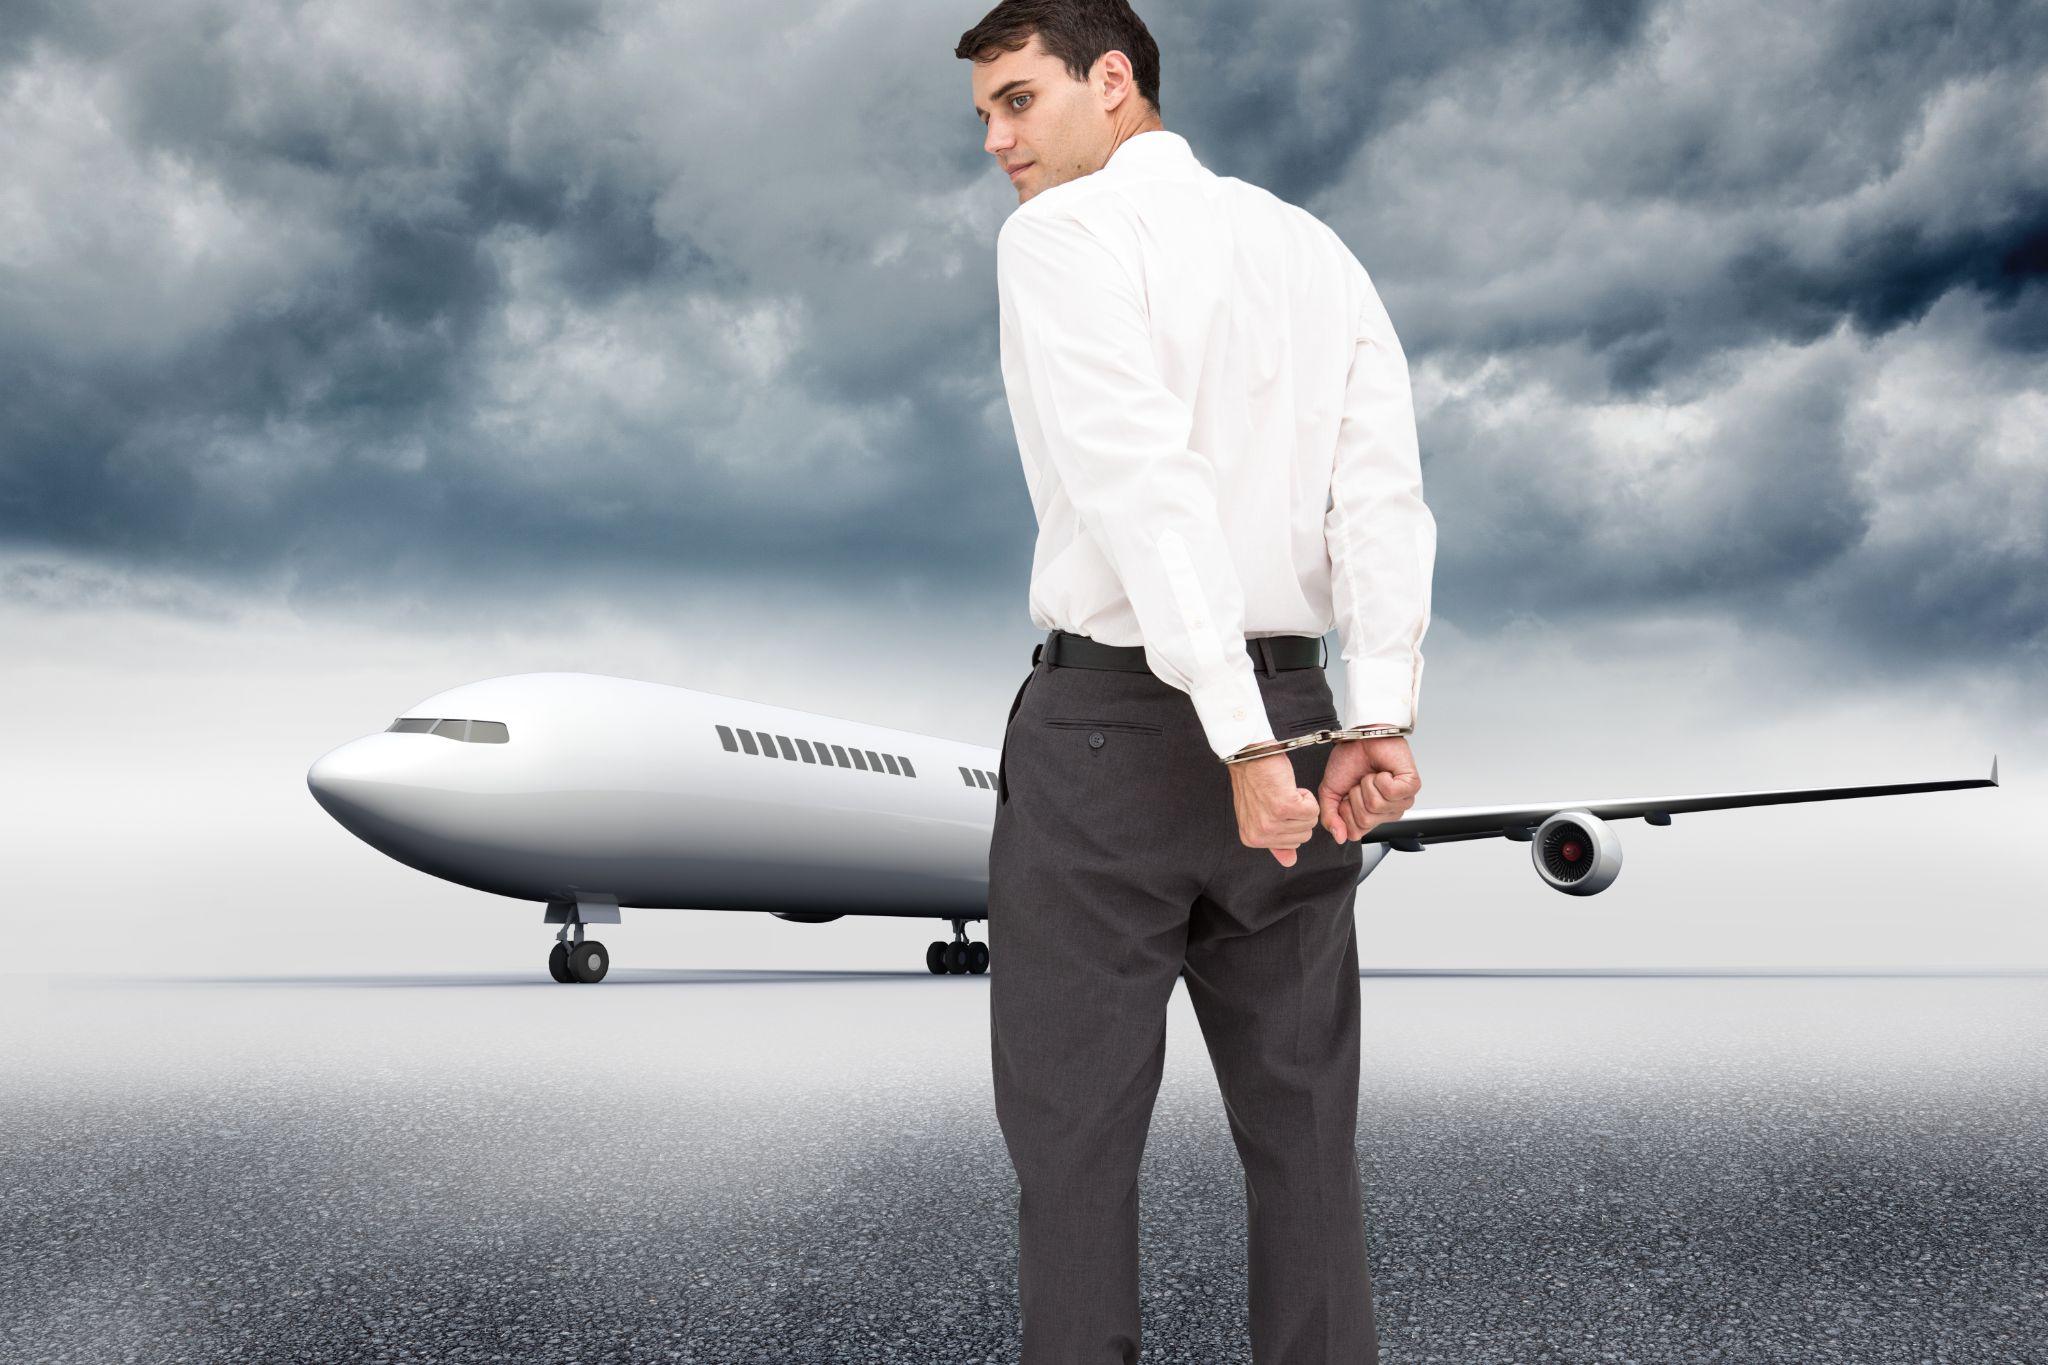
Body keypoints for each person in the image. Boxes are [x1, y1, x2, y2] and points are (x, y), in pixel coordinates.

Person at [958, 1, 1437, 1360]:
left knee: (1074, 1145)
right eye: (986, 116)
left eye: (1017, 99)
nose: (998, 141)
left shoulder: (1061, 237)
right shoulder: (1315, 251)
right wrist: (1376, 710)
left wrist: (1235, 741)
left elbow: (1140, 487)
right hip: (1299, 713)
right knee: (1303, 1137)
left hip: (1116, 734)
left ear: (1113, 81)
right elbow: (1382, 498)